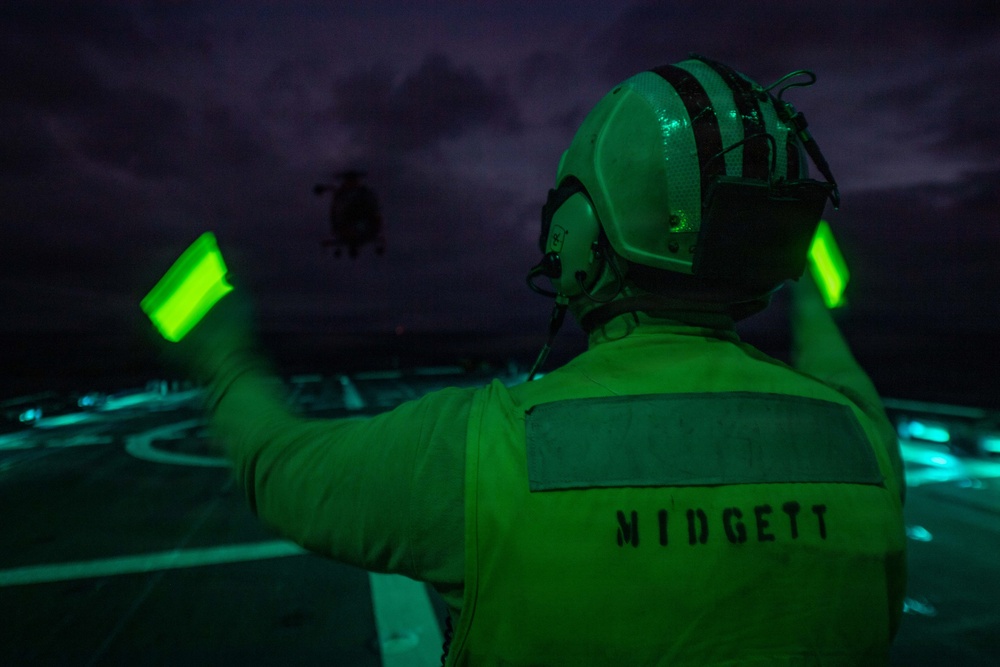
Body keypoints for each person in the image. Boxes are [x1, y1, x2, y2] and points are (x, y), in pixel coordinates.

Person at [154, 55, 906, 665]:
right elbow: (838, 370)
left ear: (578, 235)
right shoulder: (864, 444)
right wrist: (813, 299)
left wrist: (221, 345)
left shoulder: (473, 456)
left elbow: (278, 466)